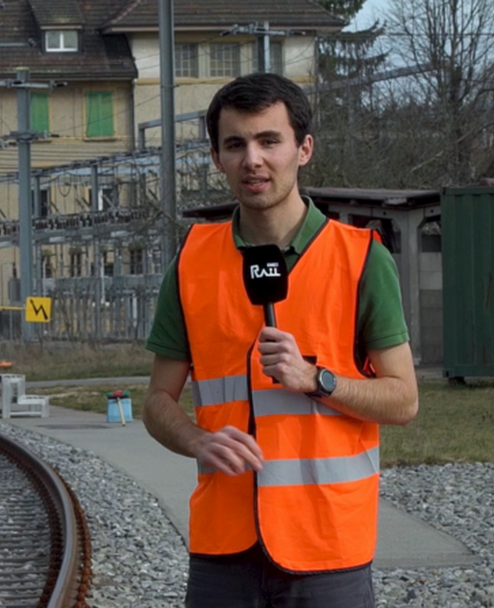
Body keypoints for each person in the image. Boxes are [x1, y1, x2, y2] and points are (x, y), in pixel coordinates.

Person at [142, 72, 419, 608]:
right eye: (236, 144)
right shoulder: (191, 263)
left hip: (327, 549)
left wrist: (317, 380)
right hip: (223, 549)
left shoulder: (362, 259)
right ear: (217, 157)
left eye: (270, 140)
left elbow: (404, 400)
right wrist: (196, 440)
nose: (253, 159)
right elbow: (157, 401)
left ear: (304, 149)